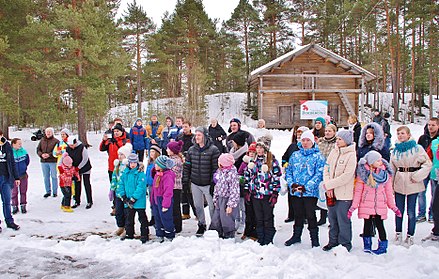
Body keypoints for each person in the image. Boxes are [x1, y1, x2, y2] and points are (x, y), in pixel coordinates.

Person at [348, 151, 401, 255]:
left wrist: (393, 207)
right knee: (367, 225)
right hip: (366, 204)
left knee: (380, 225)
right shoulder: (363, 175)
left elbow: (389, 192)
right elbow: (358, 192)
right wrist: (353, 207)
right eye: (377, 160)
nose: (380, 161)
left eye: (380, 159)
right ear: (371, 162)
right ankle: (367, 245)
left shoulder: (385, 175)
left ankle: (383, 246)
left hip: (380, 205)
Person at [390, 126, 432, 246]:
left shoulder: (417, 148)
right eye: (398, 134)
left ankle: (410, 234)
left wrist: (417, 176)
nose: (400, 135)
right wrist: (391, 186)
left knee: (411, 211)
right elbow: (392, 168)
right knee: (399, 210)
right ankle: (398, 233)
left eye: (403, 133)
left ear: (408, 135)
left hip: (413, 181)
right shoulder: (395, 151)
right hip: (399, 181)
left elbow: (427, 164)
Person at [284, 130, 325, 248]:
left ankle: (314, 239)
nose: (305, 143)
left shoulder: (318, 156)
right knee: (298, 215)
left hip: (309, 192)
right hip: (296, 192)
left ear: (312, 141)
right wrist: (292, 184)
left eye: (308, 140)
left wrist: (306, 186)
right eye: (303, 140)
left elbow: (319, 174)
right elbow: (289, 171)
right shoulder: (295, 155)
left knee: (310, 215)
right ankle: (296, 235)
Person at [322, 130, 356, 251]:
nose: (337, 141)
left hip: (344, 194)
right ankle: (333, 241)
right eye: (337, 139)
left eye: (340, 139)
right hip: (331, 193)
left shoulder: (351, 155)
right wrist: (328, 184)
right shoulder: (334, 152)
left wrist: (330, 184)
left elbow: (346, 176)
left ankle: (345, 243)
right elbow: (326, 168)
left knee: (343, 220)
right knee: (332, 219)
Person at [182, 126, 220, 236]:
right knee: (198, 205)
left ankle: (214, 225)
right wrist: (185, 180)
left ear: (205, 136)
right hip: (195, 182)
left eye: (199, 135)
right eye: (196, 135)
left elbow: (215, 168)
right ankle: (201, 224)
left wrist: (214, 182)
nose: (197, 137)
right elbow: (187, 166)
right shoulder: (191, 150)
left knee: (212, 206)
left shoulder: (213, 150)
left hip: (208, 183)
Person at [244, 136, 281, 245]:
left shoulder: (272, 161)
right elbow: (248, 176)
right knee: (258, 218)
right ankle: (261, 238)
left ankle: (268, 239)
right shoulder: (252, 161)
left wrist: (275, 193)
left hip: (267, 195)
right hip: (255, 195)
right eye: (257, 148)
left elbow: (277, 177)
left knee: (268, 218)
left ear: (266, 149)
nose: (259, 150)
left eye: (261, 148)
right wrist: (247, 190)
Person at [118, 154, 149, 243]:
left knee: (142, 218)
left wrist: (134, 198)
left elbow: (141, 187)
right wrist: (123, 196)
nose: (133, 165)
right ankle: (129, 233)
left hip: (138, 201)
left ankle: (144, 234)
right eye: (131, 162)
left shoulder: (140, 174)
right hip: (128, 200)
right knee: (129, 218)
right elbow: (121, 184)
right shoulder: (125, 173)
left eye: (134, 162)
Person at [282, 126, 309, 223]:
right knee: (291, 195)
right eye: (298, 133)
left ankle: (304, 216)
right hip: (292, 174)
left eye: (301, 133)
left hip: (304, 175)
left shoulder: (308, 146)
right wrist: (286, 165)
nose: (299, 135)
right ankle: (291, 215)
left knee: (303, 196)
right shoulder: (292, 146)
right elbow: (284, 157)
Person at [210, 153, 240, 239]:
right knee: (217, 217)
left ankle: (228, 235)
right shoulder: (220, 171)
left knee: (227, 218)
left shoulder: (232, 174)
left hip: (228, 200)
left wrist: (230, 205)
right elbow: (217, 185)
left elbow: (235, 191)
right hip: (220, 198)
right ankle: (216, 232)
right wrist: (215, 198)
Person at [417, 117, 439, 223]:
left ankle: (432, 213)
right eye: (429, 125)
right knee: (421, 191)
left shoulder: (437, 140)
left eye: (433, 125)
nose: (430, 127)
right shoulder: (423, 138)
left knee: (435, 192)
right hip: (424, 167)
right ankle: (421, 213)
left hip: (435, 168)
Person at [151, 155, 176, 242]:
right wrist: (152, 201)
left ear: (162, 166)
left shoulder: (167, 176)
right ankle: (160, 233)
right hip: (156, 199)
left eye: (157, 164)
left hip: (164, 200)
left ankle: (169, 234)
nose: (155, 165)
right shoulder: (158, 174)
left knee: (166, 218)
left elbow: (168, 191)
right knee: (157, 217)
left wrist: (165, 204)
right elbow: (154, 188)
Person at [109, 143, 132, 236]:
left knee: (127, 211)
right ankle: (120, 226)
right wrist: (112, 189)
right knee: (118, 211)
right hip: (118, 193)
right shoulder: (117, 166)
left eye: (122, 154)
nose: (119, 156)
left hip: (126, 193)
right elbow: (114, 177)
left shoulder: (128, 166)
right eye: (119, 154)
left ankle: (127, 227)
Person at [0, 130, 20, 231]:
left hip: (6, 177)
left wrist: (16, 177)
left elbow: (12, 162)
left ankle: (9, 221)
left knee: (7, 201)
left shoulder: (7, 146)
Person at [176, 120, 197, 220]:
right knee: (183, 189)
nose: (184, 129)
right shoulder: (179, 137)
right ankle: (185, 212)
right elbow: (176, 148)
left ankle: (196, 212)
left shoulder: (194, 137)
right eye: (183, 127)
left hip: (192, 164)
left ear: (190, 127)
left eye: (186, 127)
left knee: (190, 190)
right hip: (181, 164)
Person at [229, 131, 249, 233]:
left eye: (234, 141)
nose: (232, 143)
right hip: (233, 182)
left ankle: (243, 222)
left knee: (242, 204)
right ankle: (236, 220)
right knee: (235, 203)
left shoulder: (245, 155)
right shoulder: (232, 152)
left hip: (241, 182)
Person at [66, 137, 93, 209]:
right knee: (77, 184)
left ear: (75, 143)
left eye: (72, 145)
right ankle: (77, 201)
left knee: (86, 183)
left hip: (85, 167)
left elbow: (85, 159)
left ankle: (89, 201)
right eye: (70, 145)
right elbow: (66, 157)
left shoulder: (82, 147)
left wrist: (79, 167)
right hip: (75, 168)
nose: (71, 146)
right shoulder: (68, 148)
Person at [238, 143, 257, 240]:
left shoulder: (258, 162)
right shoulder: (244, 162)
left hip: (256, 190)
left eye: (254, 152)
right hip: (246, 190)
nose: (252, 154)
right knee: (247, 212)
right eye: (250, 152)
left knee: (255, 213)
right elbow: (239, 174)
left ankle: (254, 233)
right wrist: (242, 179)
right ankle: (247, 231)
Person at [167, 140, 184, 234]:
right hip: (173, 186)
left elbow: (171, 172)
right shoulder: (171, 159)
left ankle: (177, 226)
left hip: (175, 186)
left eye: (168, 149)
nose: (167, 150)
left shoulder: (175, 161)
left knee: (175, 207)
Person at [37, 127, 59, 198]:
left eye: (50, 132)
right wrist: (41, 155)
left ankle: (55, 192)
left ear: (52, 133)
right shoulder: (42, 140)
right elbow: (38, 149)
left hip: (53, 161)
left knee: (54, 176)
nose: (48, 133)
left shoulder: (56, 141)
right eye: (47, 132)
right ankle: (48, 191)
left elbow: (57, 151)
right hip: (44, 161)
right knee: (46, 177)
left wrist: (49, 154)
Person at [11, 138, 30, 214]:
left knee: (23, 191)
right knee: (14, 192)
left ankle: (23, 205)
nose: (20, 145)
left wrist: (24, 167)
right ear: (13, 144)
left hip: (23, 175)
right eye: (19, 143)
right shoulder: (10, 153)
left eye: (21, 143)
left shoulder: (23, 151)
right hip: (13, 176)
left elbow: (27, 161)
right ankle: (14, 206)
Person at [145, 143, 161, 227]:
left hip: (155, 185)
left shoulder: (158, 163)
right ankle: (153, 217)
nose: (151, 154)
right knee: (151, 202)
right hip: (149, 185)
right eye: (150, 152)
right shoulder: (149, 162)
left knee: (156, 202)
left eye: (153, 152)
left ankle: (157, 218)